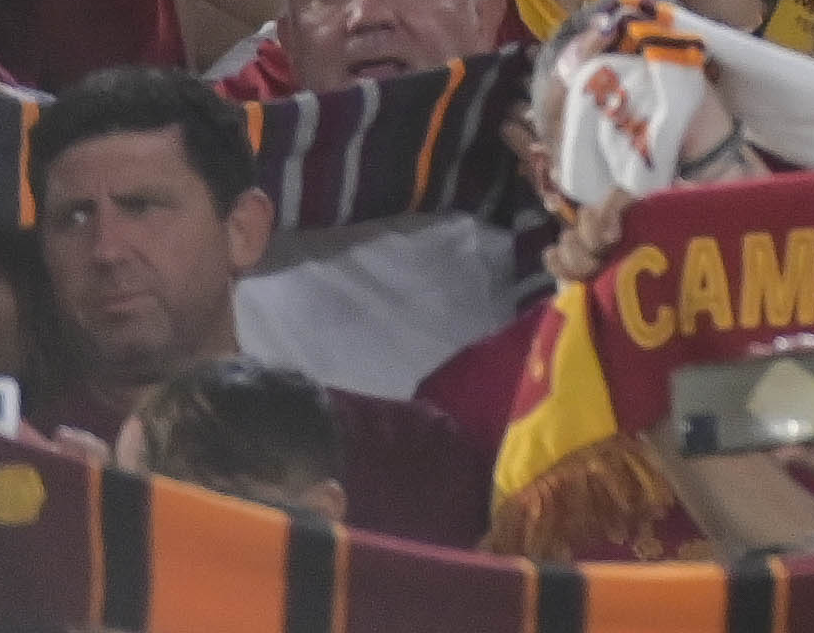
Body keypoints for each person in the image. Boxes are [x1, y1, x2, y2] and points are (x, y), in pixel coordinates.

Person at [25, 72, 491, 539]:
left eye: (142, 207)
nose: (107, 249)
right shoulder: (3, 469)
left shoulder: (409, 459)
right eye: (74, 217)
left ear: (242, 231)